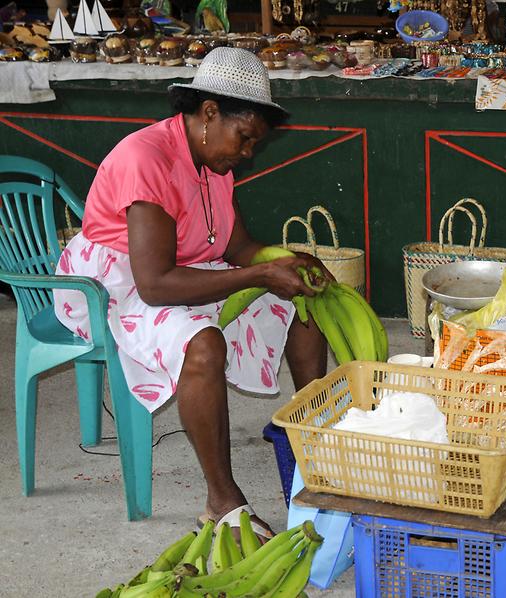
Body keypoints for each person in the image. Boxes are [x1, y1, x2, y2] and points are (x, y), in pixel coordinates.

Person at [53, 46, 329, 540]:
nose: (246, 153)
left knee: (301, 306)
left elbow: (238, 246)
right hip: (117, 285)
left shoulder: (213, 161)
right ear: (208, 113)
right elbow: (156, 285)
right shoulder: (148, 159)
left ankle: (317, 449)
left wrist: (285, 262)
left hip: (186, 270)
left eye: (254, 145)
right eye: (244, 138)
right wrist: (258, 277)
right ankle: (221, 498)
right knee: (202, 344)